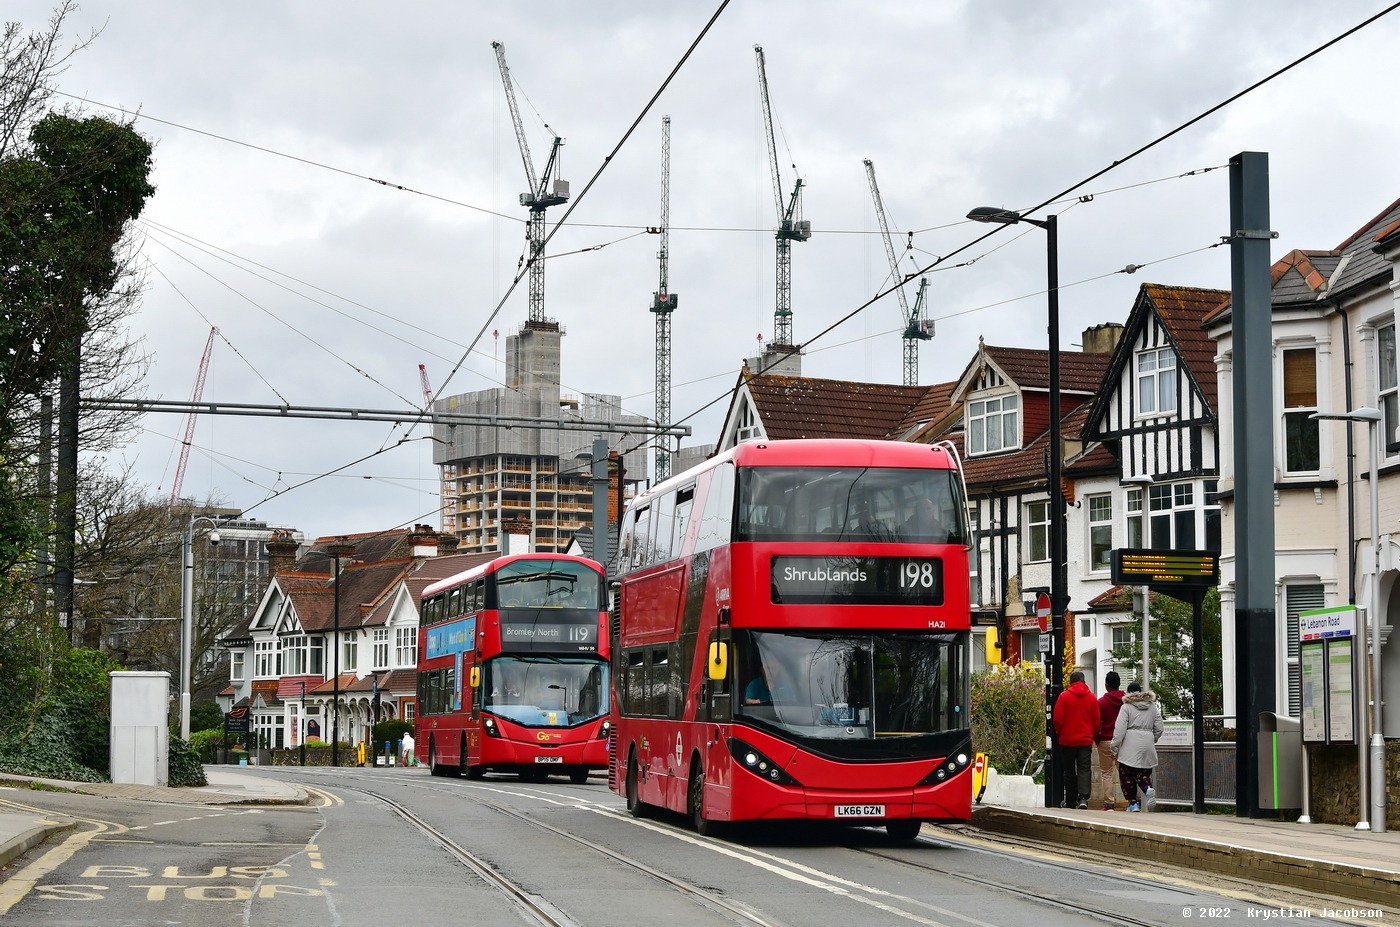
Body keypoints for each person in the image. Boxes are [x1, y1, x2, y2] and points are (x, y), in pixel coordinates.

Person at [1111, 682, 1165, 812]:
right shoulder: (1152, 707)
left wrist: (1115, 746)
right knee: (1143, 773)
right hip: (1148, 742)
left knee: (1125, 771)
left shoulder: (1126, 707)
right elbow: (1159, 727)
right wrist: (1153, 739)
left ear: (1128, 693)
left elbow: (1120, 729)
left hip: (1130, 742)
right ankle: (1147, 788)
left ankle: (1133, 803)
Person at [1052, 670, 1099, 809]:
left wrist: (1060, 732)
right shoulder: (1091, 697)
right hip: (1085, 739)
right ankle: (1083, 798)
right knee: (1084, 768)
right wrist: (1092, 734)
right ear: (1084, 682)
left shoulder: (1064, 696)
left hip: (1067, 740)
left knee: (1069, 770)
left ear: (1071, 682)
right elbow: (1096, 720)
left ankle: (1071, 801)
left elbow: (1057, 719)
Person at [1096, 671, 1125, 810]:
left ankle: (1109, 803)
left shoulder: (1101, 702)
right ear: (1119, 684)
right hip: (1123, 742)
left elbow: (1096, 723)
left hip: (1106, 740)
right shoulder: (1126, 701)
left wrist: (1097, 739)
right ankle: (1131, 801)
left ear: (1106, 685)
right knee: (1124, 771)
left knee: (1106, 773)